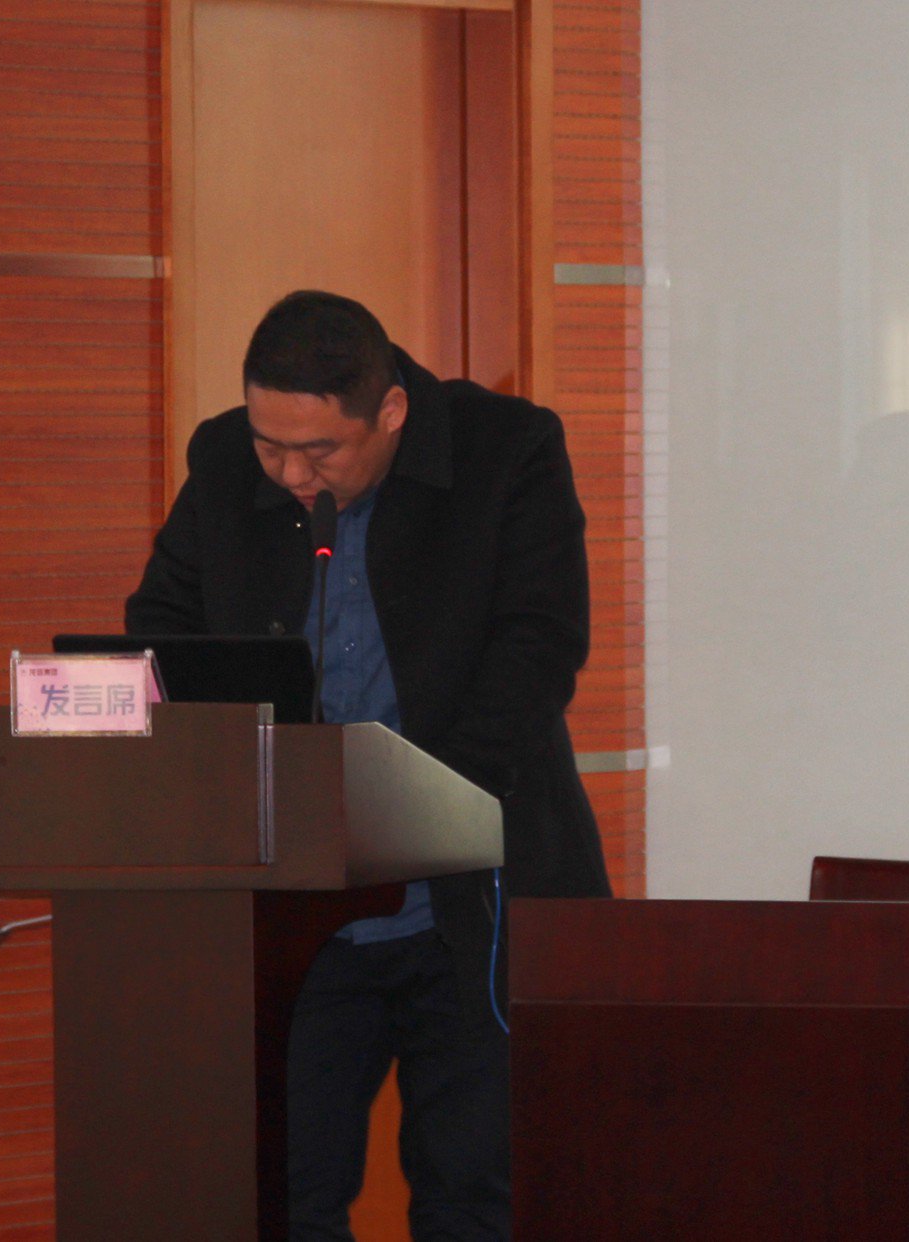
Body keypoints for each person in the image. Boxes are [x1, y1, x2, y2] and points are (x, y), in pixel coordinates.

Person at [125, 290, 610, 1240]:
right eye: (270, 446)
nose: (290, 474)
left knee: (476, 1199)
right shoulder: (223, 460)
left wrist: (416, 810)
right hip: (298, 910)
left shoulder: (507, 450)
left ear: (390, 410)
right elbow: (162, 631)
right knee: (279, 1195)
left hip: (472, 899)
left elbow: (538, 649)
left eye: (319, 452)